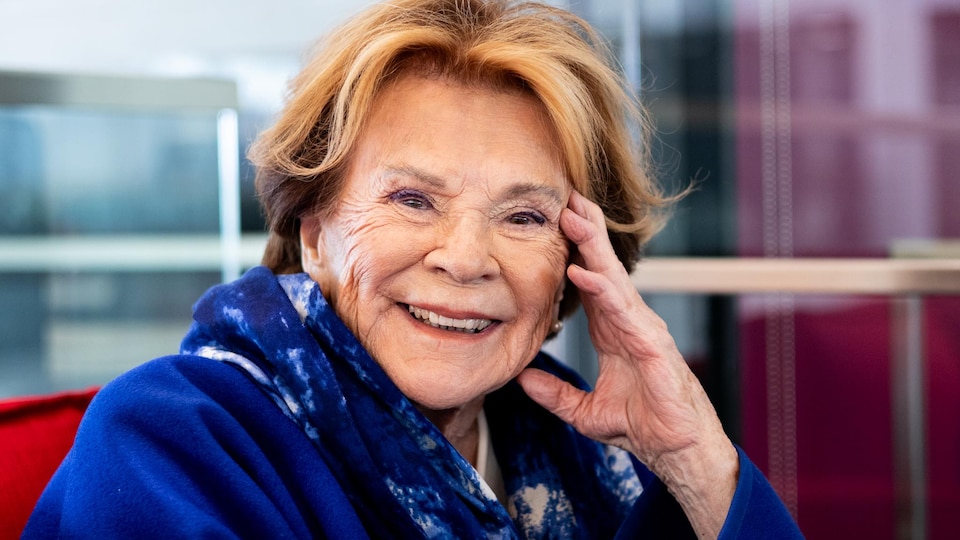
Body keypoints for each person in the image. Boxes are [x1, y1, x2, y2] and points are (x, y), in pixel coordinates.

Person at [24, 0, 802, 538]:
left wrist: (696, 458)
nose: (465, 259)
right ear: (314, 226)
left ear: (574, 266)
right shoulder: (169, 440)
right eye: (412, 199)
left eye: (524, 217)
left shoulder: (596, 465)